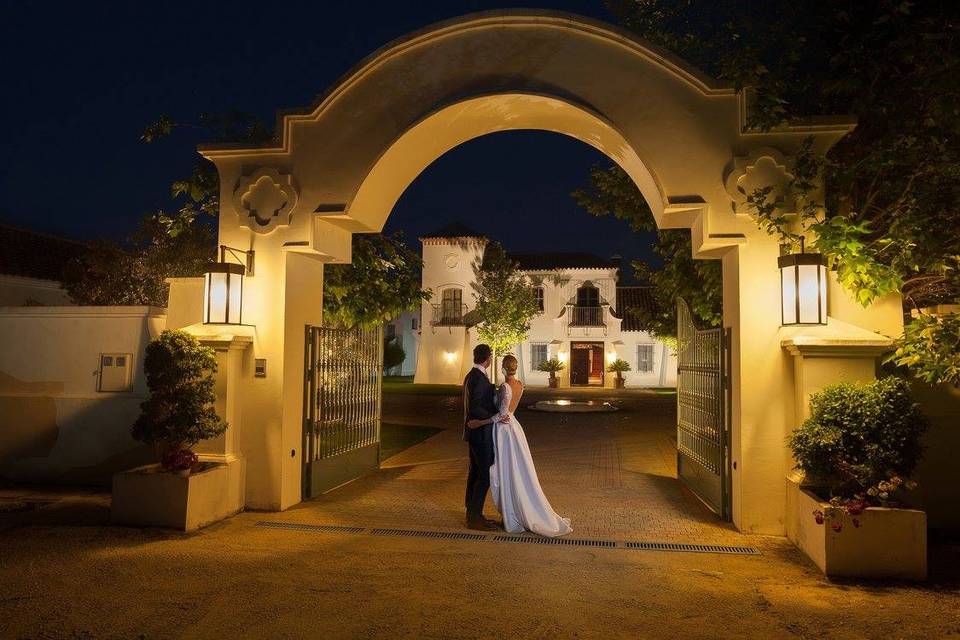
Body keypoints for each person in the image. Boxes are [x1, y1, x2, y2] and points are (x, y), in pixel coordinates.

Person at [486, 354, 572, 537]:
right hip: (515, 427)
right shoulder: (520, 385)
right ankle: (518, 509)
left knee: (507, 470)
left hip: (503, 431)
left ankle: (512, 514)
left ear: (503, 367)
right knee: (518, 468)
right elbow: (510, 411)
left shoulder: (505, 386)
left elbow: (502, 414)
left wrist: (481, 422)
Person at [462, 343, 508, 530]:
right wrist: (492, 418)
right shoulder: (479, 379)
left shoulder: (470, 376)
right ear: (488, 359)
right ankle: (474, 517)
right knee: (484, 476)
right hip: (480, 434)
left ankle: (471, 512)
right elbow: (475, 406)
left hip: (473, 434)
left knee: (474, 473)